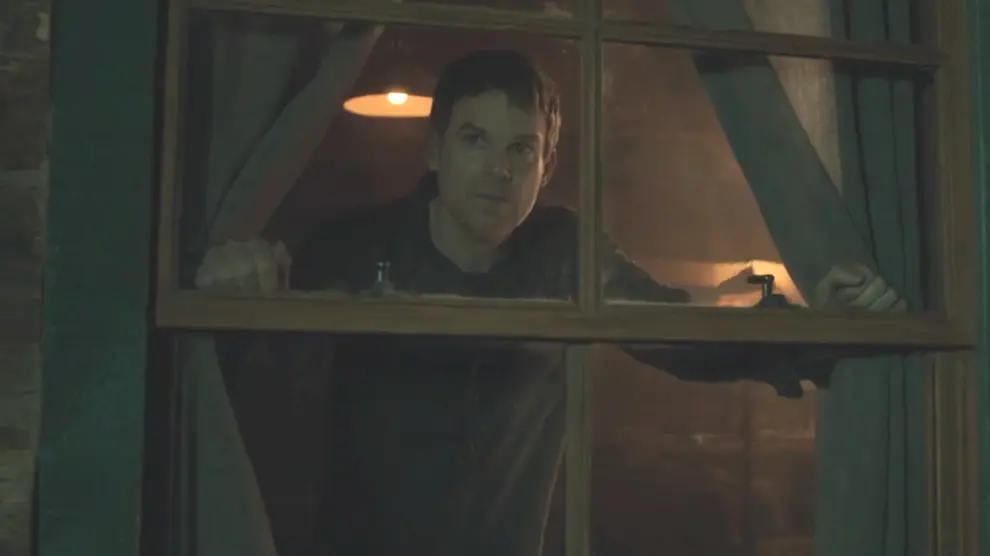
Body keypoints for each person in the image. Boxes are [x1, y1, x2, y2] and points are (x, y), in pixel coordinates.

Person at [196, 50, 906, 556]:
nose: (499, 169)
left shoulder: (562, 249)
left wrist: (820, 326)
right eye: (476, 140)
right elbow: (260, 392)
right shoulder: (351, 247)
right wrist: (231, 295)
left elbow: (679, 332)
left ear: (546, 166)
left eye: (522, 149)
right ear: (435, 151)